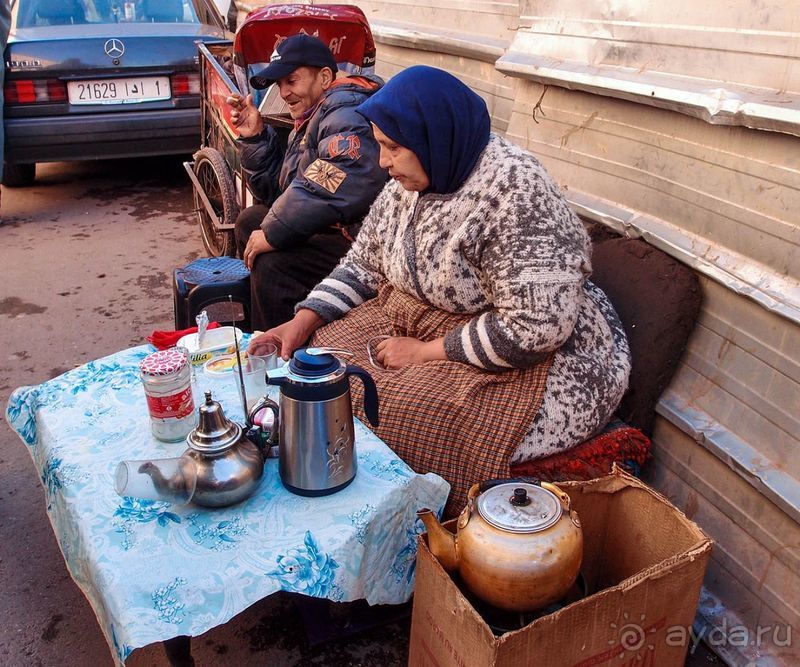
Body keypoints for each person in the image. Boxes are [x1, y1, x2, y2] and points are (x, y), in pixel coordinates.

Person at [249, 65, 631, 514]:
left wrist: (424, 353)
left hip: (542, 351)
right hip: (427, 314)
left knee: (415, 412)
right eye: (379, 144)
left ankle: (413, 526)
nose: (382, 162)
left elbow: (536, 328)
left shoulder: (515, 193)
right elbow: (363, 264)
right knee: (327, 368)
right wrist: (301, 320)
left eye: (392, 148)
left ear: (433, 137)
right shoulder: (410, 180)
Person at [228, 34, 387, 331]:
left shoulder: (346, 112)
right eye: (280, 84)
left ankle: (282, 353)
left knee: (272, 265)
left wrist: (273, 234)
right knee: (250, 221)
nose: (284, 92)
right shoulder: (314, 116)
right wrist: (256, 136)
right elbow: (279, 193)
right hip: (331, 227)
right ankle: (259, 330)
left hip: (358, 240)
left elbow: (332, 185)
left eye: (292, 80)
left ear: (325, 76)